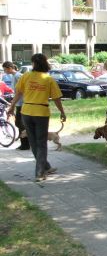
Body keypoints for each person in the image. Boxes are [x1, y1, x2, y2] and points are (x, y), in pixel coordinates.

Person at [7, 53, 66, 182]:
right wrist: (62, 112)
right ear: (45, 63)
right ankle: (40, 172)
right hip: (41, 113)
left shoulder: (26, 76)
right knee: (41, 143)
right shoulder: (48, 79)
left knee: (34, 143)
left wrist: (11, 107)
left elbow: (18, 93)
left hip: (26, 112)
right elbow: (56, 98)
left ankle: (46, 167)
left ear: (33, 64)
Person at [2, 61, 30, 150]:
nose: (4, 71)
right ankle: (25, 143)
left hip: (22, 103)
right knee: (19, 123)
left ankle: (26, 144)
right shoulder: (15, 76)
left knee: (20, 123)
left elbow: (21, 91)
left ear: (9, 68)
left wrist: (12, 105)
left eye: (5, 69)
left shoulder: (18, 76)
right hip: (19, 103)